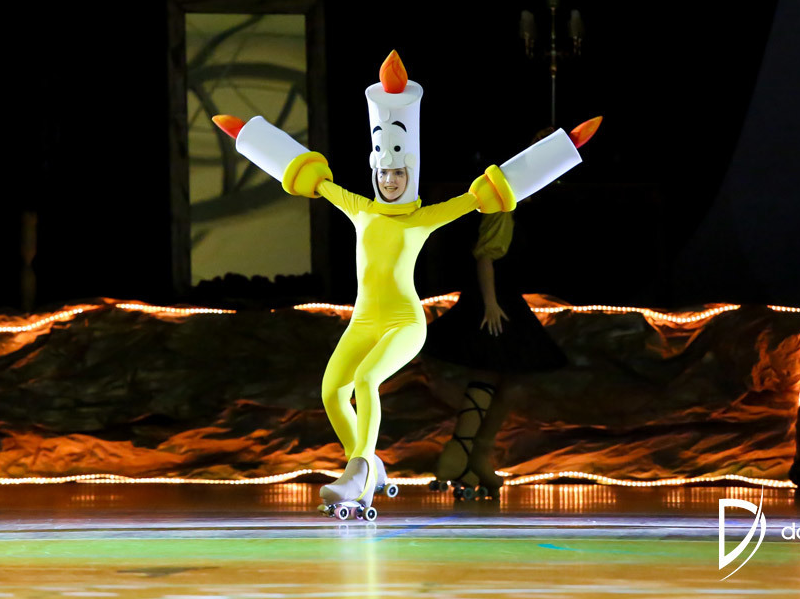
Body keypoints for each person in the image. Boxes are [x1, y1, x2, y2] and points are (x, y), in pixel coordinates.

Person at [212, 51, 598, 518]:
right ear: (375, 170)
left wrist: (558, 151)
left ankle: (358, 471)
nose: (390, 179)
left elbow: (478, 197)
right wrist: (251, 138)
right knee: (332, 391)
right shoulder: (359, 208)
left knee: (366, 379)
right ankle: (368, 464)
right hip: (363, 322)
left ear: (409, 173)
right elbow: (309, 177)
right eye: (384, 172)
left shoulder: (422, 218)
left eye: (398, 173)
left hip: (404, 323)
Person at [423, 134, 569, 498]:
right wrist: (489, 303)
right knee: (491, 370)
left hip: (504, 297)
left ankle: (474, 454)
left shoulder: (517, 204)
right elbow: (486, 256)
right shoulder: (502, 205)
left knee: (509, 377)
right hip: (494, 298)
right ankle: (462, 454)